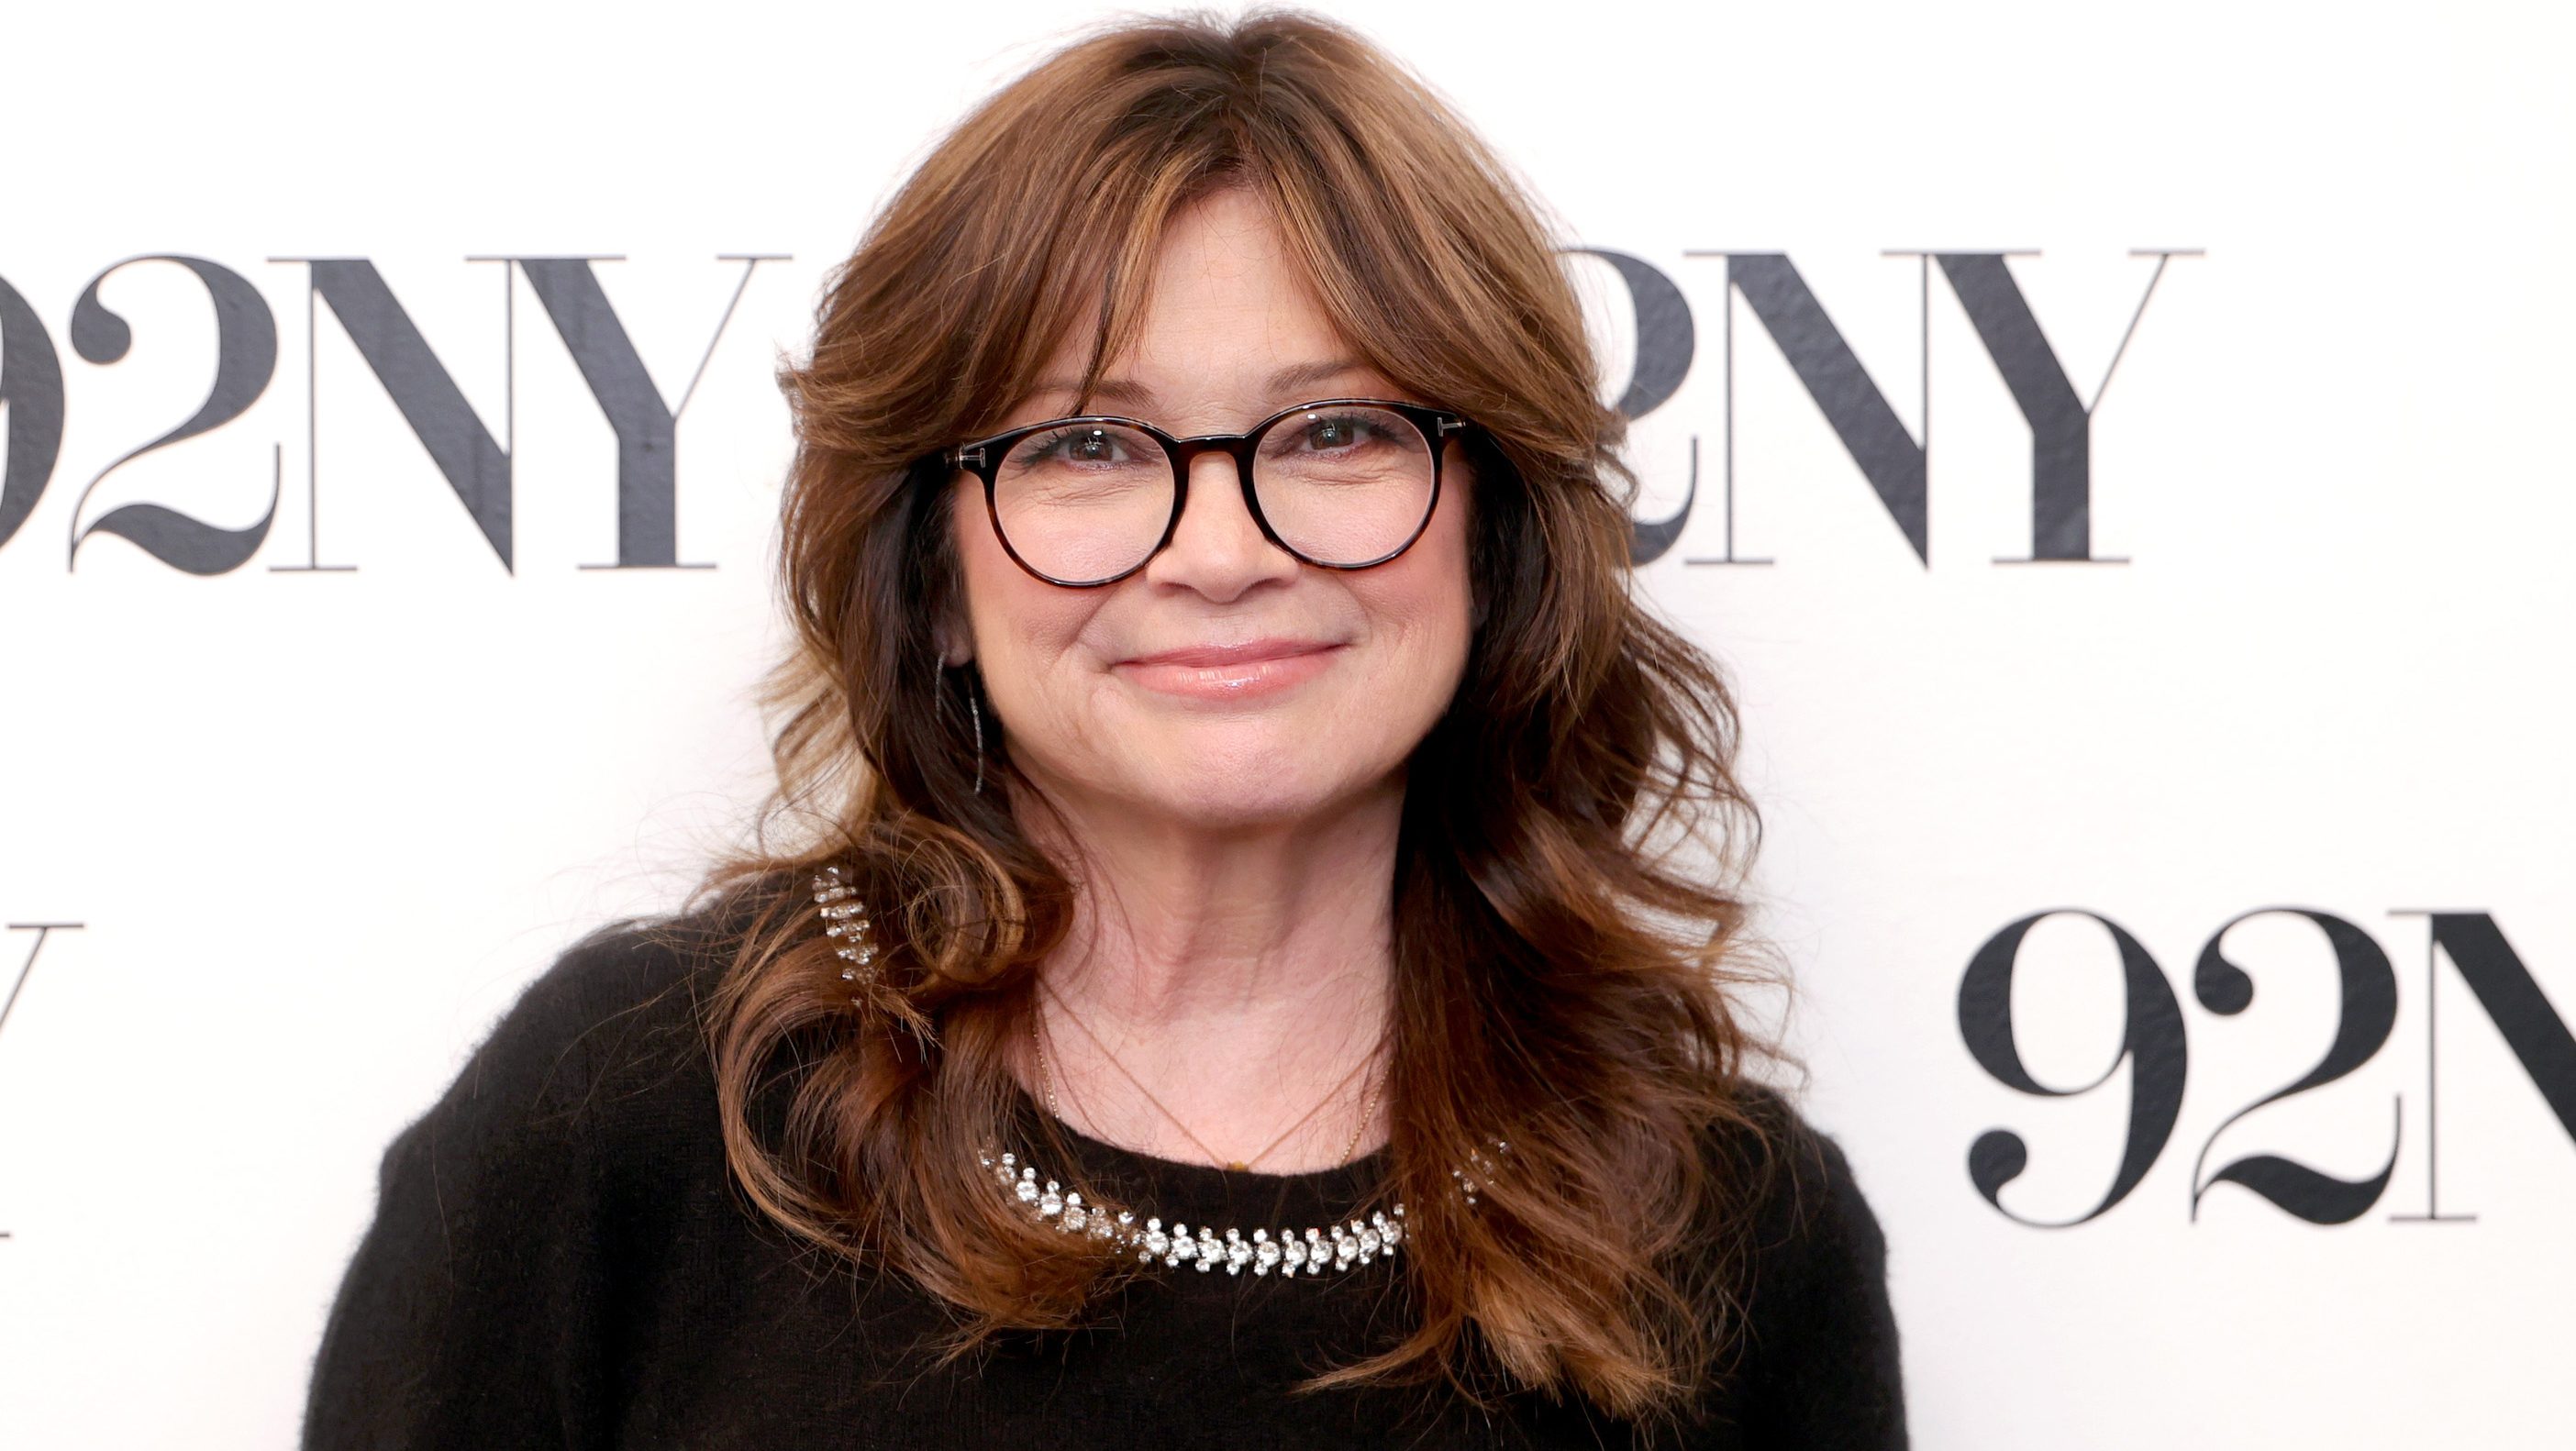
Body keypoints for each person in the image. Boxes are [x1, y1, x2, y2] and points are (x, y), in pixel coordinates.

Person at [300, 9, 1905, 1448]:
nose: (1220, 551)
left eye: (1339, 430)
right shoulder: (634, 1116)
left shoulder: (1725, 1224)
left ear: (1495, 536)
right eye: (1086, 445)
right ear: (928, 571)